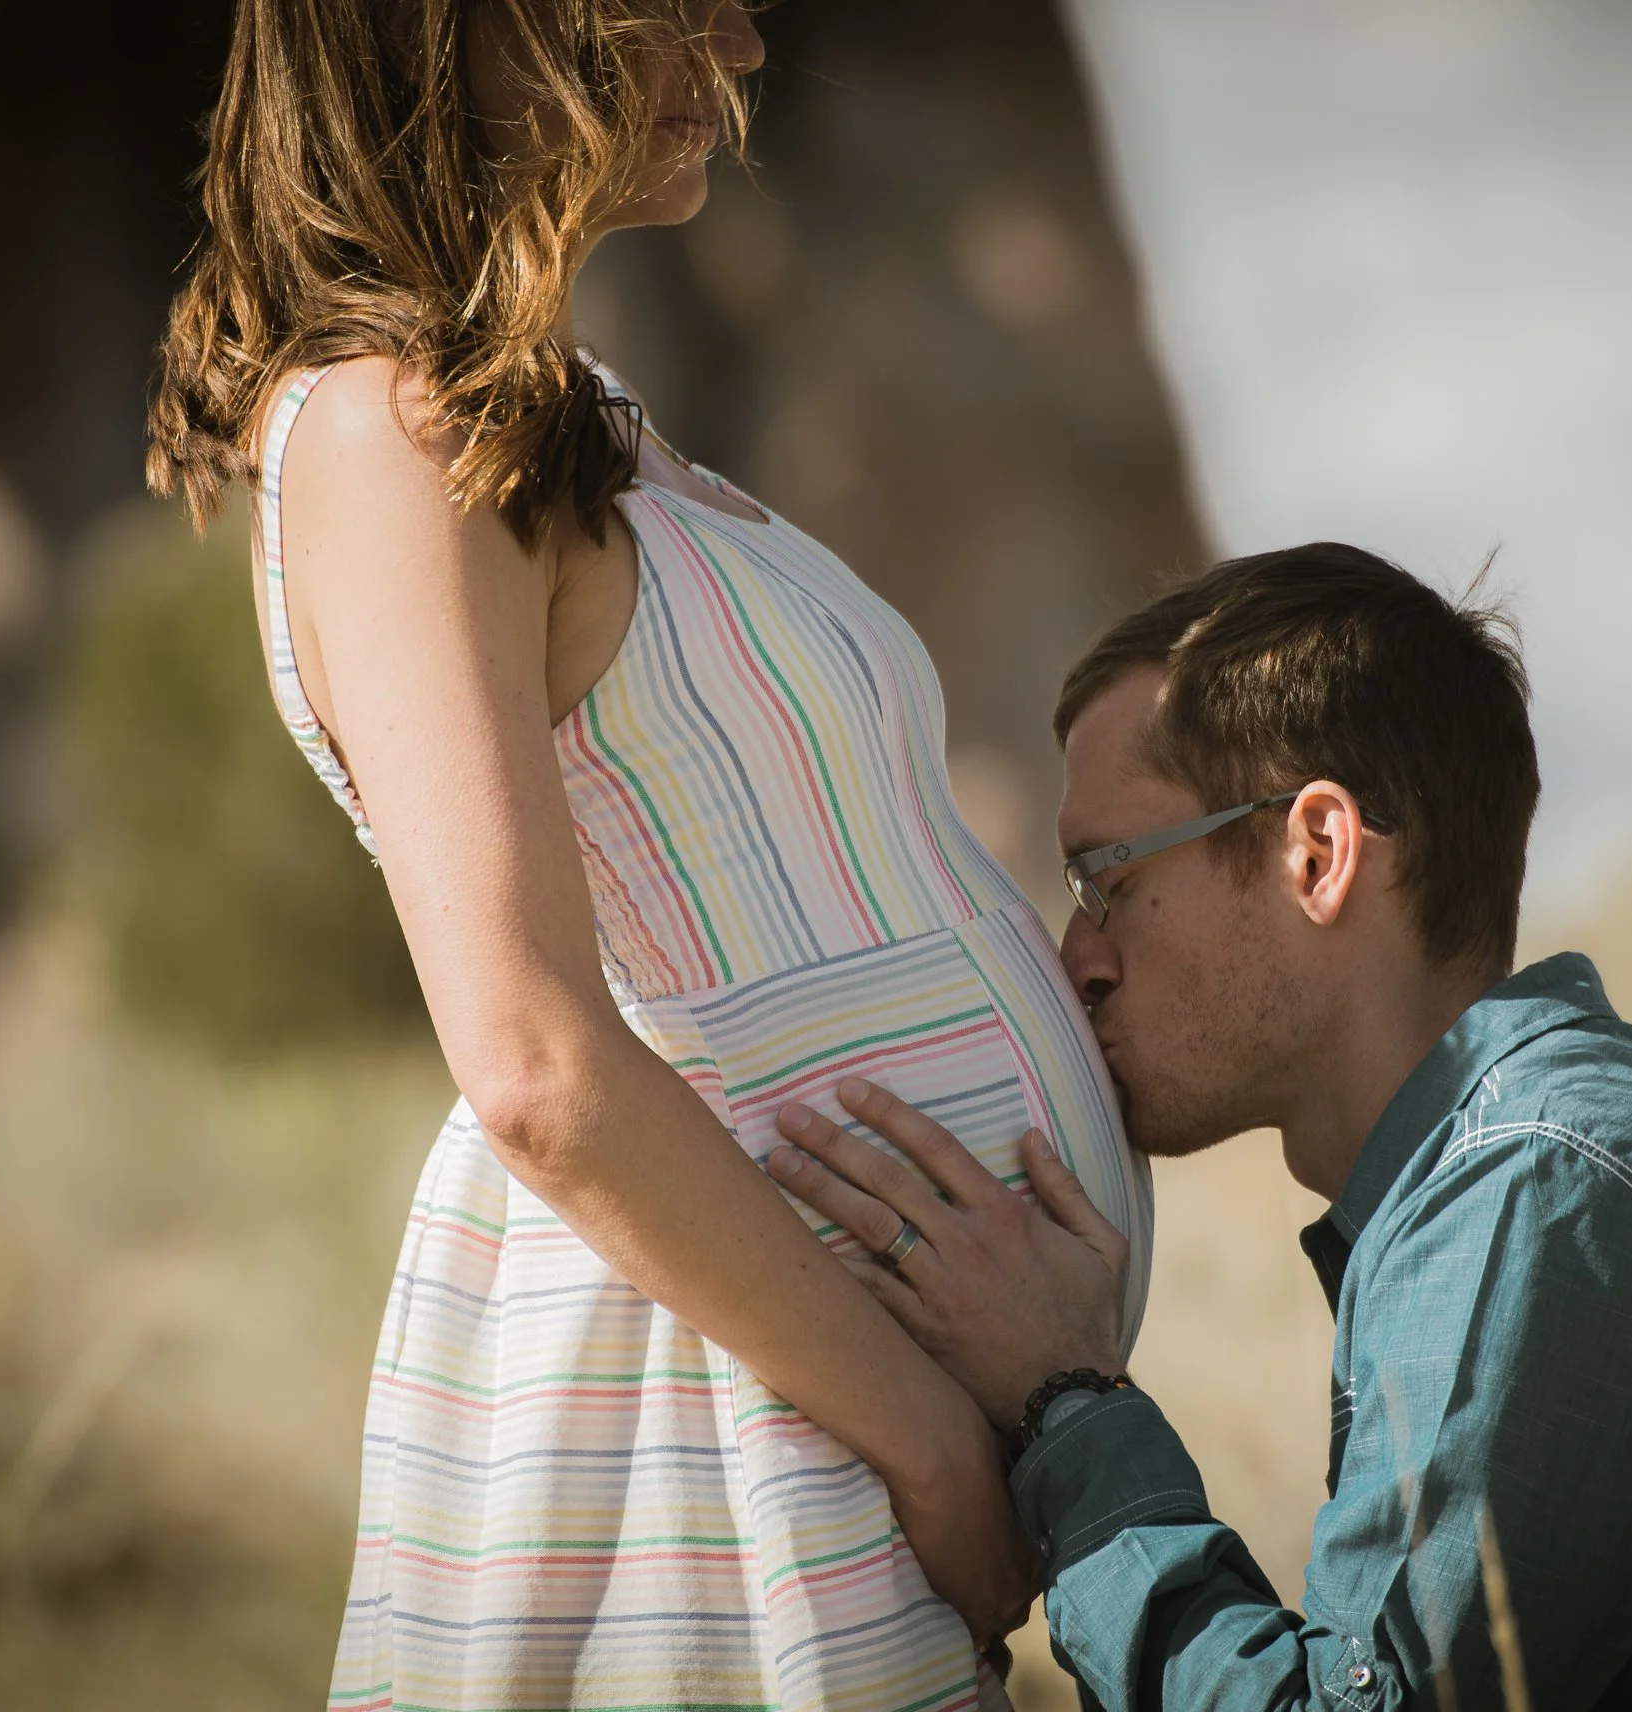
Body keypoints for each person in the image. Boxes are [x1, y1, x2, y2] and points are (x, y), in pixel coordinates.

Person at [143, 4, 1152, 1709]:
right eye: (674, 6)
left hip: (791, 1407)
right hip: (708, 1433)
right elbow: (533, 1058)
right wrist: (922, 1442)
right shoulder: (391, 439)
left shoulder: (559, 413)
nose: (742, 49)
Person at [767, 543, 1632, 1709]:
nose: (1078, 956)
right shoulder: (1516, 1175)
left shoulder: (1546, 1196)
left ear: (1317, 854)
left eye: (1109, 875)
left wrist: (1066, 1403)